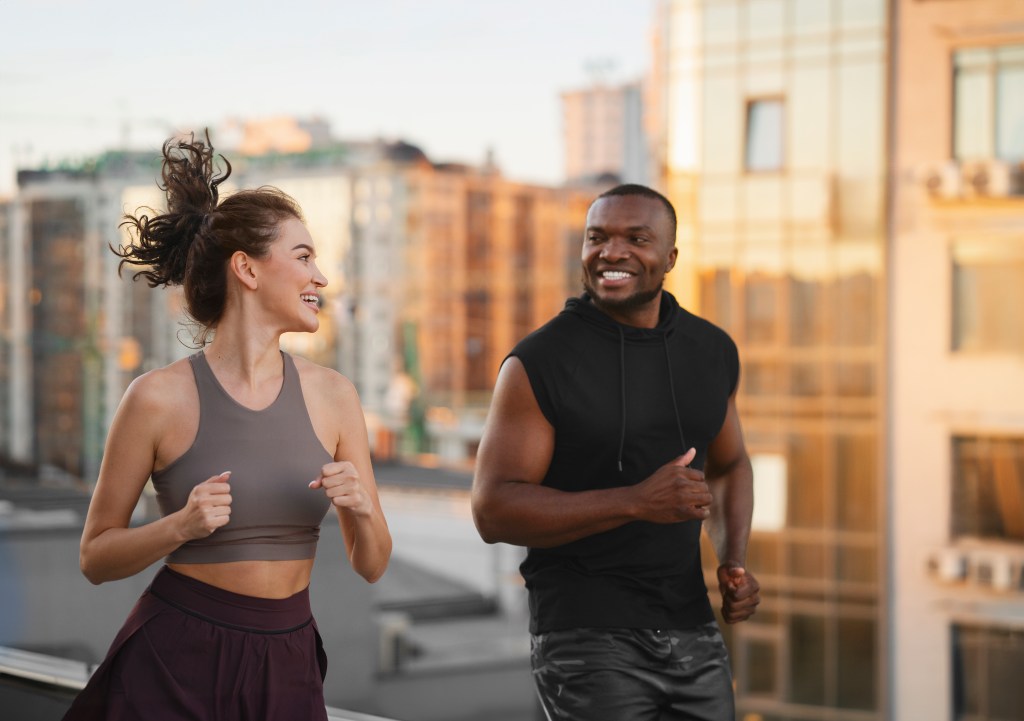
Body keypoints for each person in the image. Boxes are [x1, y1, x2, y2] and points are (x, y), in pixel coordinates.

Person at [62, 133, 392, 721]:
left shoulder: (336, 396)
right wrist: (180, 526)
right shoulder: (156, 398)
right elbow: (95, 558)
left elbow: (372, 564)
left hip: (288, 659)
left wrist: (363, 507)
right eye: (303, 256)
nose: (321, 277)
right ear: (247, 269)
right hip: (174, 655)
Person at [472, 184, 760, 721]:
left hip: (691, 627)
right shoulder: (540, 361)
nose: (611, 251)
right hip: (586, 635)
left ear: (670, 257)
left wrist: (734, 559)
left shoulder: (711, 349)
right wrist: (634, 501)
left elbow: (728, 464)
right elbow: (492, 510)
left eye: (636, 238)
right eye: (596, 237)